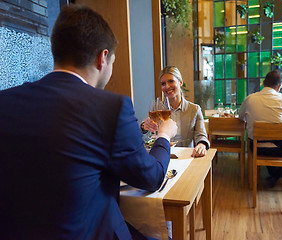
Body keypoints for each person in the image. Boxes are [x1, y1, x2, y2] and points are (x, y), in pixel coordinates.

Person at [0, 4, 177, 240]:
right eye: (113, 61)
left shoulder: (5, 102)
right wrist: (164, 135)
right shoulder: (112, 108)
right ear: (102, 58)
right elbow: (151, 177)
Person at [238, 70, 282, 188]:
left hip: (257, 148)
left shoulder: (250, 99)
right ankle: (276, 175)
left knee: (265, 144)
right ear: (280, 86)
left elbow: (241, 118)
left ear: (263, 82)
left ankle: (273, 174)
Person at [142, 66, 210, 158]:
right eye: (163, 83)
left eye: (171, 81)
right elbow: (148, 135)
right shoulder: (157, 110)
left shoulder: (194, 109)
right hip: (161, 157)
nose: (167, 86)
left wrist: (201, 145)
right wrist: (143, 127)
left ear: (180, 82)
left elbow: (201, 136)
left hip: (185, 157)